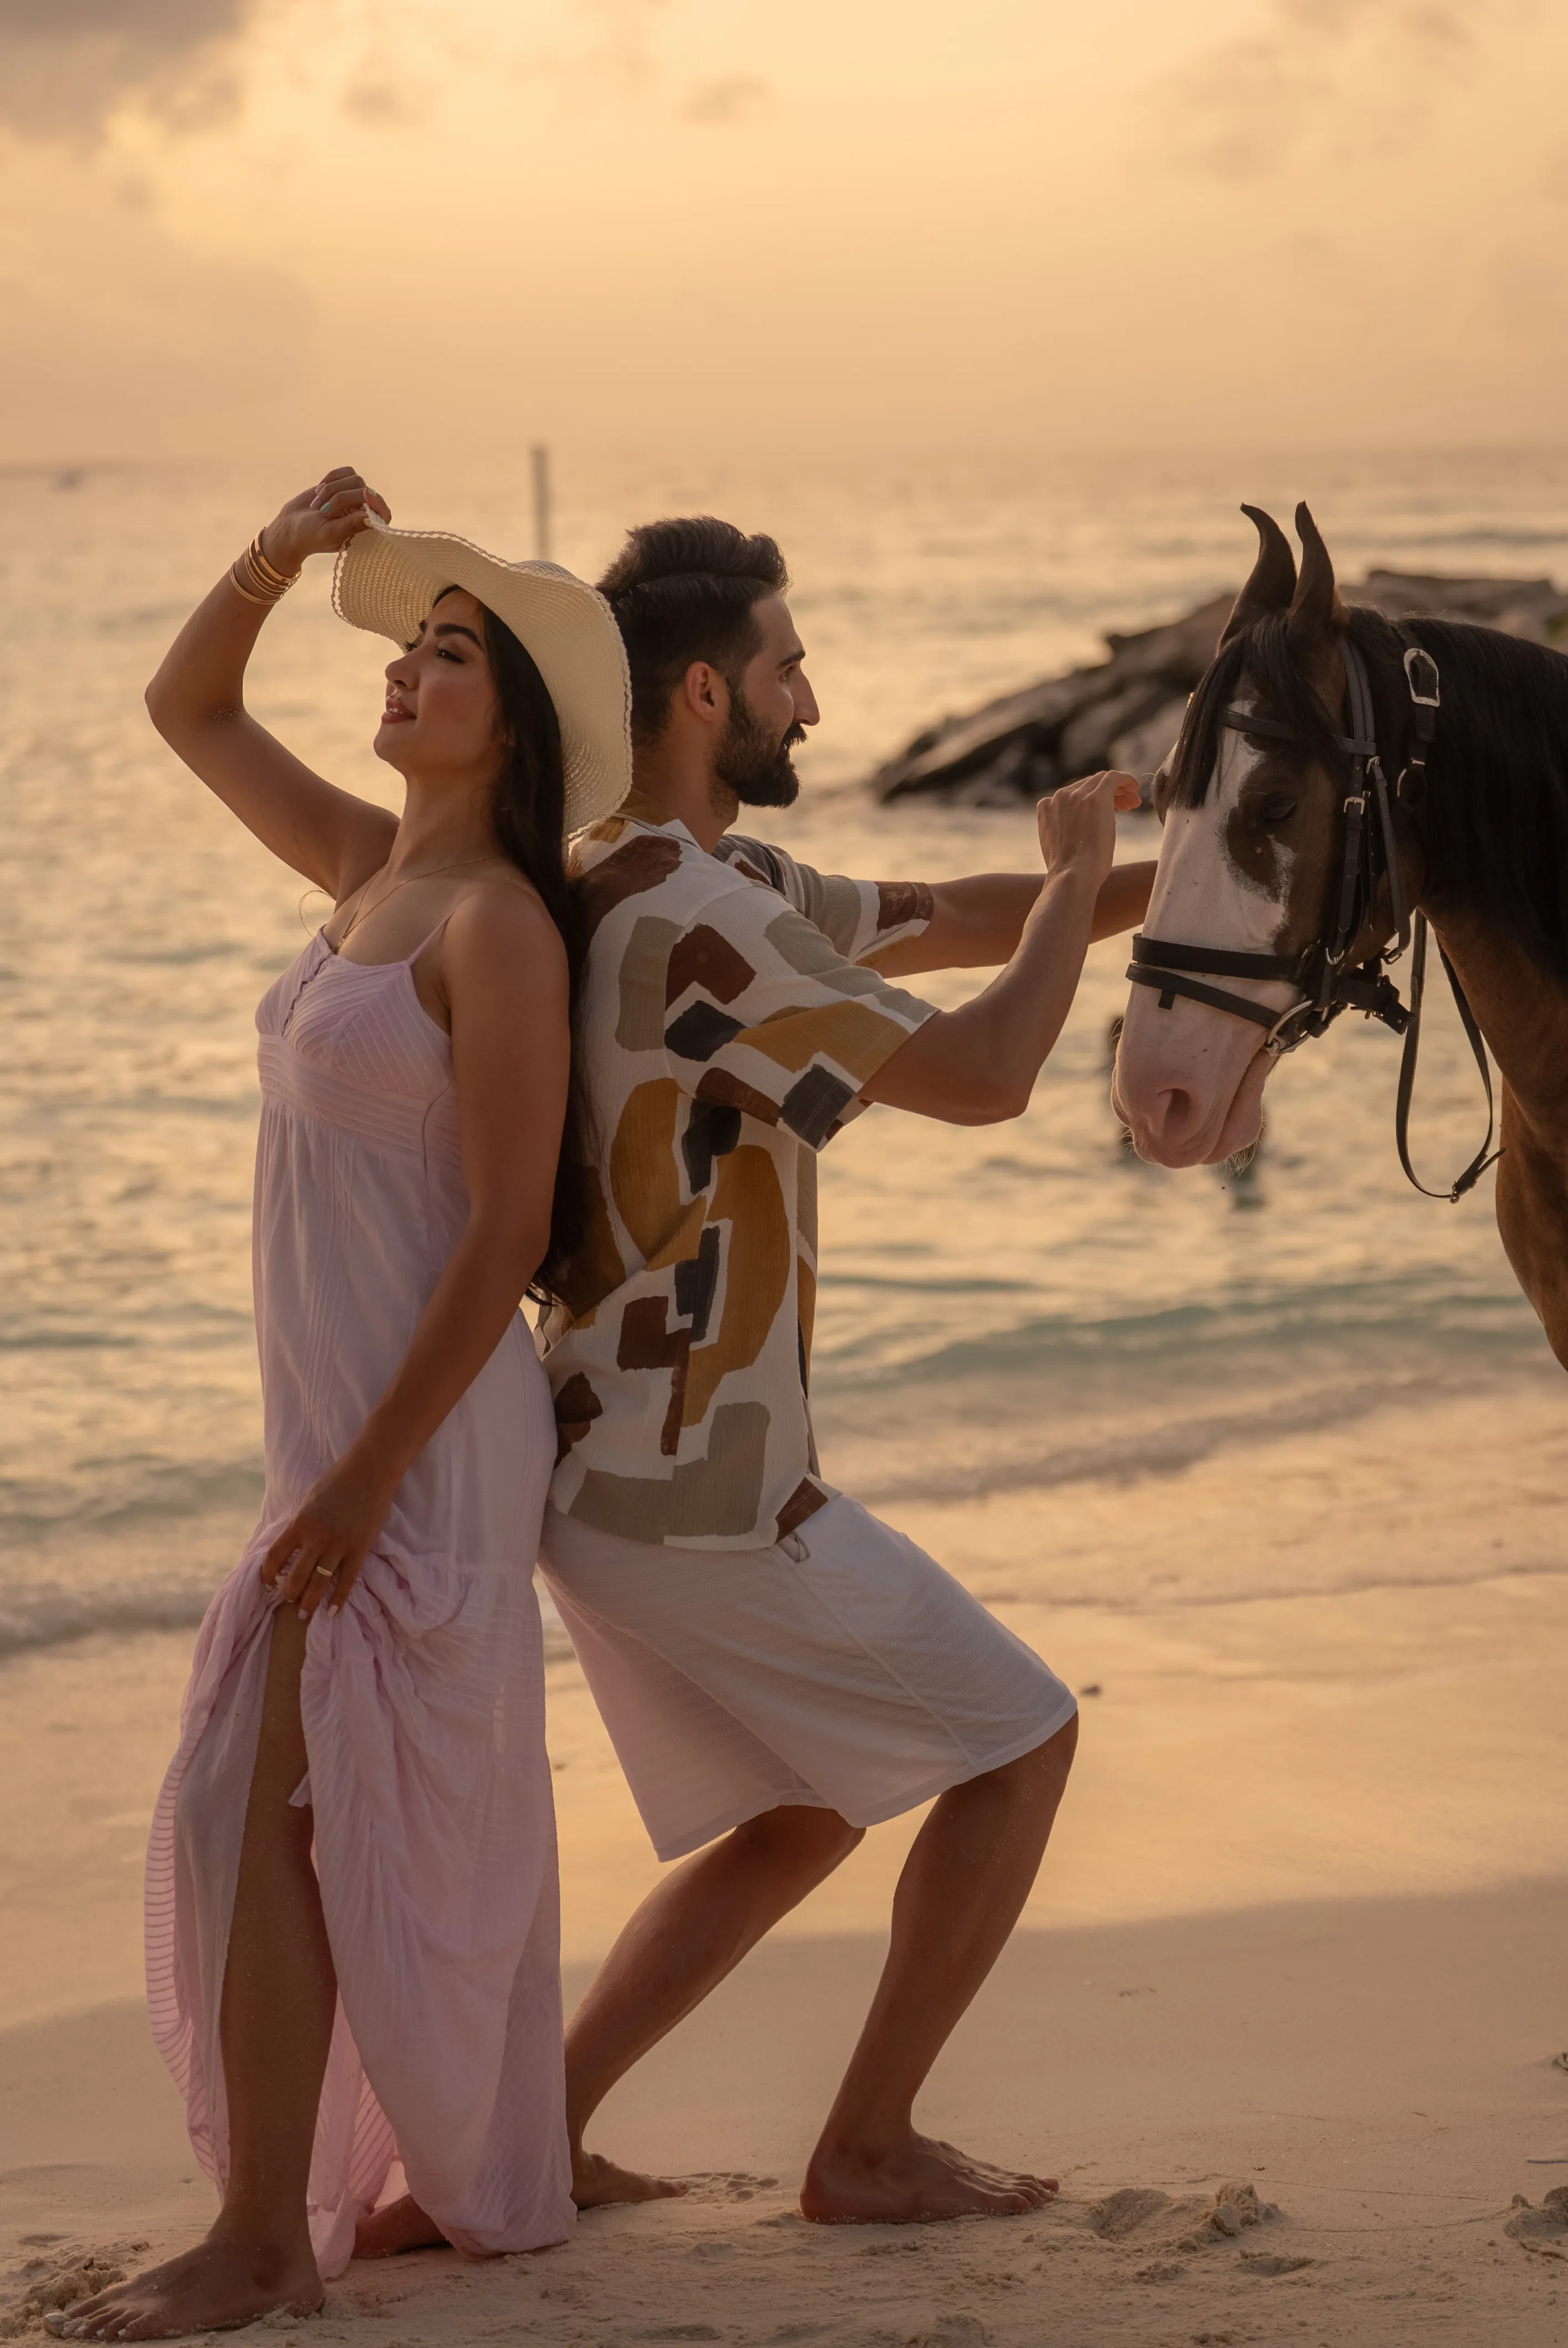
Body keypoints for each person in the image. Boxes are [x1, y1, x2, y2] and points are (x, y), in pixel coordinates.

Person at [54, 470, 633, 2341]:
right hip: (339, 1444)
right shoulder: (370, 876)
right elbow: (189, 710)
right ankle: (328, 2207)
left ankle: (259, 2242)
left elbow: (504, 1234)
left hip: (420, 1454)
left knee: (264, 1796)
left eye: (446, 656)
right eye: (408, 646)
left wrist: (366, 1483)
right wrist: (277, 553)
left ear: (514, 725)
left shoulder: (498, 931)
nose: (403, 671)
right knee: (291, 1811)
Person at [529, 516, 1157, 2225]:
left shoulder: (657, 876)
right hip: (702, 1496)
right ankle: (867, 2147)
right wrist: (1087, 849)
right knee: (1020, 1748)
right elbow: (984, 1071)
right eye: (793, 665)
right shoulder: (695, 931)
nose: (817, 697)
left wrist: (1233, 880)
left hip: (614, 1475)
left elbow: (957, 916)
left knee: (806, 1810)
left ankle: (537, 2136)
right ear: (709, 689)